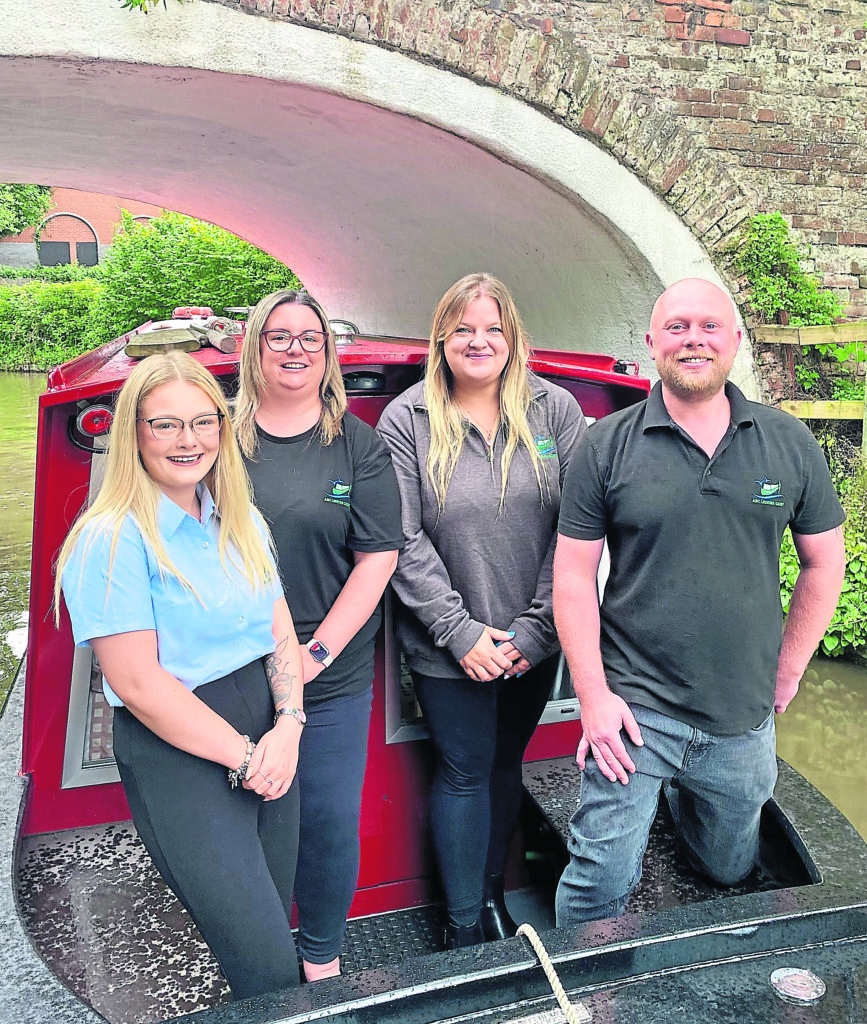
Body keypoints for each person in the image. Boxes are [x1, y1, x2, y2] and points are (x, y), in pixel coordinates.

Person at [553, 278, 846, 927]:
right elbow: (572, 577)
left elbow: (824, 561)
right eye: (677, 326)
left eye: (709, 326)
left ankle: (683, 808)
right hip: (634, 708)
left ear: (734, 342)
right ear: (651, 342)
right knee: (598, 880)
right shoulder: (606, 445)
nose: (694, 338)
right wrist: (593, 697)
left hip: (741, 714)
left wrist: (790, 666)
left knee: (725, 867)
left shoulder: (787, 443)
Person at [55, 351, 305, 1000]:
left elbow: (280, 632)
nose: (187, 440)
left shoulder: (241, 520)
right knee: (266, 964)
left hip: (267, 726)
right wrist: (249, 759)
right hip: (181, 749)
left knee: (274, 928)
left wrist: (289, 726)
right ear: (133, 433)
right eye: (164, 425)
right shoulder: (110, 539)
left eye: (202, 422)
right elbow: (137, 684)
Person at [376, 272, 587, 948]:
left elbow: (578, 527)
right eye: (464, 328)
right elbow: (400, 537)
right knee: (464, 768)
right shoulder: (405, 418)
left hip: (533, 636)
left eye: (492, 328)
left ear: (512, 337)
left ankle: (493, 899)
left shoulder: (554, 411)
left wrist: (535, 627)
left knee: (504, 765)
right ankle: (463, 923)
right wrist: (459, 631)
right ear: (441, 337)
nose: (479, 340)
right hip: (446, 645)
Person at [233, 289, 403, 981]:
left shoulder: (355, 442)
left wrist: (315, 655)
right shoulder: (220, 436)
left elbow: (378, 556)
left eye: (309, 337)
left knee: (328, 820)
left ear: (326, 353)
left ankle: (320, 960)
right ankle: (263, 954)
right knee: (252, 817)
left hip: (328, 669)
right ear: (256, 348)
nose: (295, 349)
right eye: (279, 336)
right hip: (235, 667)